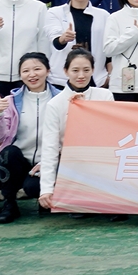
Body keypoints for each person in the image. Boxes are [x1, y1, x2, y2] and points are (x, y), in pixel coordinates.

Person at [38, 49, 113, 215]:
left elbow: (111, 133)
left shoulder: (105, 96)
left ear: (93, 70)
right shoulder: (55, 104)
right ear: (65, 71)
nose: (81, 75)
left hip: (101, 159)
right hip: (71, 163)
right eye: (75, 70)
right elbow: (50, 147)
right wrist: (46, 189)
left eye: (86, 70)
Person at [0, 52, 59, 223]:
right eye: (26, 71)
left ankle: (47, 200)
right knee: (8, 152)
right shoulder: (10, 101)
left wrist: (49, 161)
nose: (32, 74)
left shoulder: (62, 99)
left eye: (37, 69)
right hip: (19, 161)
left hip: (49, 161)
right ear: (20, 75)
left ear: (48, 71)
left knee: (33, 188)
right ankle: (9, 204)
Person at [44, 0, 110, 89]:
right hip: (62, 81)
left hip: (96, 80)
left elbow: (108, 49)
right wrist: (63, 38)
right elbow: (55, 41)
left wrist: (110, 76)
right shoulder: (55, 13)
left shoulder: (103, 15)